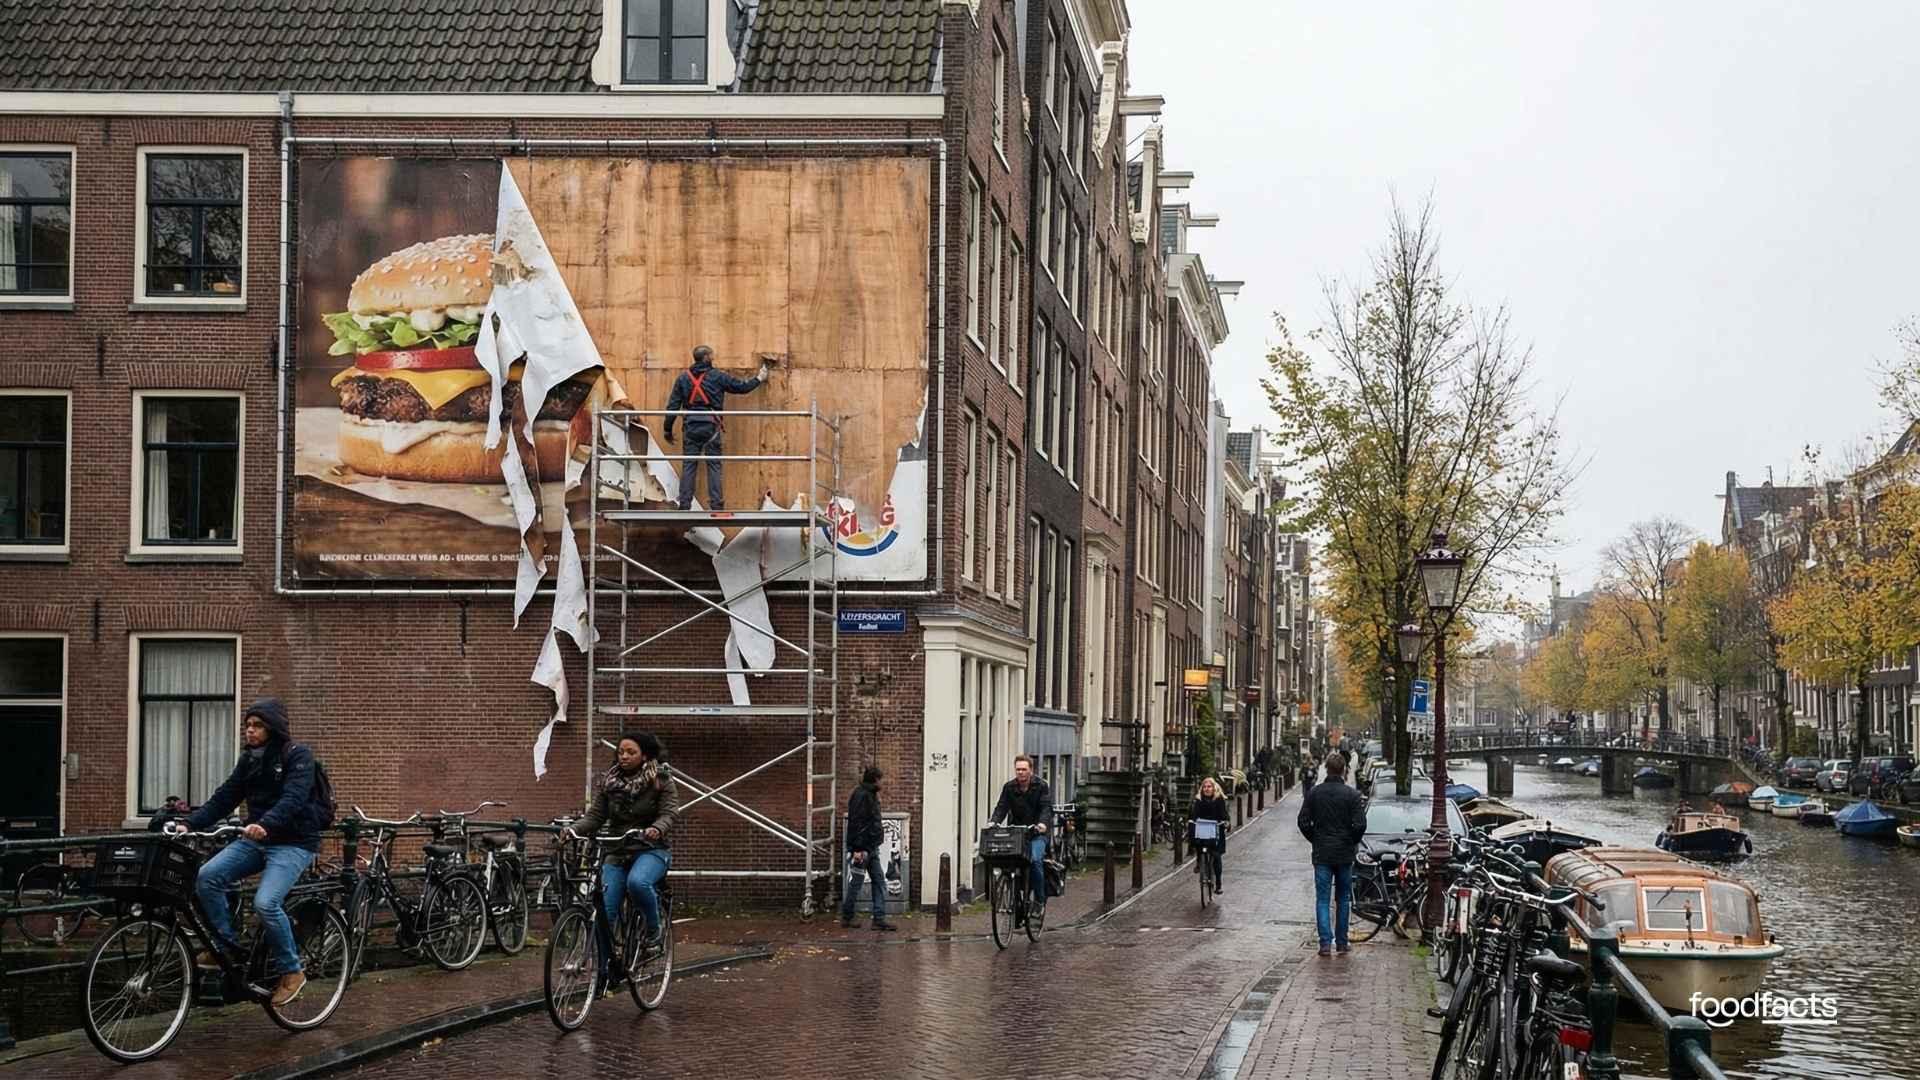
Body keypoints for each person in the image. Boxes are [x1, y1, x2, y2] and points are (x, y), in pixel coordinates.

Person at [175, 699, 322, 1007]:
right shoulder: (249, 761)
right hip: (257, 839)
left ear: (272, 728)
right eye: (247, 726)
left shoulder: (298, 756)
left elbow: (294, 798)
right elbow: (225, 797)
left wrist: (266, 823)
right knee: (207, 877)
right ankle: (225, 946)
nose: (249, 731)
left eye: (256, 726)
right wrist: (189, 823)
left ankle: (292, 972)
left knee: (266, 903)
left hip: (294, 842)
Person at [573, 732, 681, 983]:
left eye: (630, 752)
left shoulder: (660, 779)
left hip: (652, 849)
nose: (624, 756)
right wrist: (573, 830)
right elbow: (596, 817)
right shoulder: (610, 782)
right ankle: (605, 971)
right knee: (604, 911)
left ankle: (655, 932)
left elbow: (670, 812)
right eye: (621, 752)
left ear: (644, 755)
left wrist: (657, 828)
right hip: (618, 851)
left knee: (638, 883)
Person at [663, 344, 771, 511]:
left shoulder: (683, 379)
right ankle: (716, 506)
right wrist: (759, 378)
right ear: (706, 358)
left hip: (691, 427)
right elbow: (741, 388)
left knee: (689, 465)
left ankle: (685, 505)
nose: (713, 358)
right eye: (712, 356)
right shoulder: (718, 377)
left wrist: (667, 430)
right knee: (714, 465)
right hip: (711, 427)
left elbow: (672, 407)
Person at [1296, 750, 1367, 957]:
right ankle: (1342, 942)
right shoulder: (1352, 795)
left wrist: (1315, 839)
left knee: (1323, 899)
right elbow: (1361, 824)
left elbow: (1302, 822)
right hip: (1344, 854)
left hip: (1322, 855)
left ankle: (1325, 943)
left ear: (1326, 769)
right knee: (1343, 899)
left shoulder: (1315, 793)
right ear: (1345, 770)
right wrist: (1351, 840)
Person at [990, 754, 1054, 920]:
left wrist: (1042, 824)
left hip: (1037, 833)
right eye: (1018, 769)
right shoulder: (1009, 787)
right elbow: (1001, 807)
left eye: (1024, 769)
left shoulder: (1041, 786)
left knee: (1035, 860)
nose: (1021, 772)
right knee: (1008, 862)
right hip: (1017, 833)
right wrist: (994, 822)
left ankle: (1039, 901)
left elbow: (1046, 808)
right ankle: (1015, 898)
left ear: (1030, 770)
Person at [841, 765, 897, 931]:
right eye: (881, 779)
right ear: (875, 780)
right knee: (857, 883)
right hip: (863, 849)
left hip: (870, 847)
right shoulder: (862, 796)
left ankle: (878, 918)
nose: (883, 782)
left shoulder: (869, 794)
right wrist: (857, 849)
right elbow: (856, 823)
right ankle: (848, 916)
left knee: (879, 881)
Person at [1191, 777, 1230, 894]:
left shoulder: (1219, 800)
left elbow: (1224, 814)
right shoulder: (1198, 800)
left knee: (1216, 856)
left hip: (1216, 829)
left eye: (1209, 787)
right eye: (1205, 787)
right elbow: (1194, 815)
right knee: (1197, 841)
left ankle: (1218, 883)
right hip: (1203, 829)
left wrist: (1226, 822)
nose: (1207, 789)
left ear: (1214, 788)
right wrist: (1191, 821)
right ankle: (1199, 861)